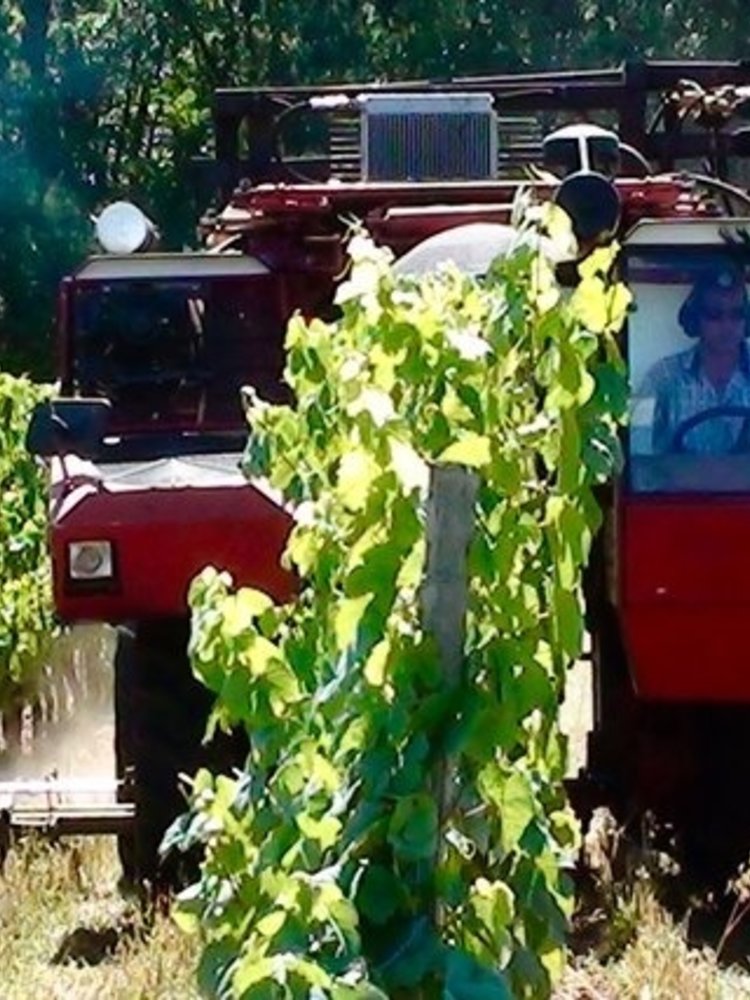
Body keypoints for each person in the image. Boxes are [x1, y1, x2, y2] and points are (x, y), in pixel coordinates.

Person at [640, 267, 750, 453]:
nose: (727, 325)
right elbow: (640, 452)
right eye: (714, 315)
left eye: (736, 314)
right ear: (694, 319)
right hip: (680, 482)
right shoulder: (663, 379)